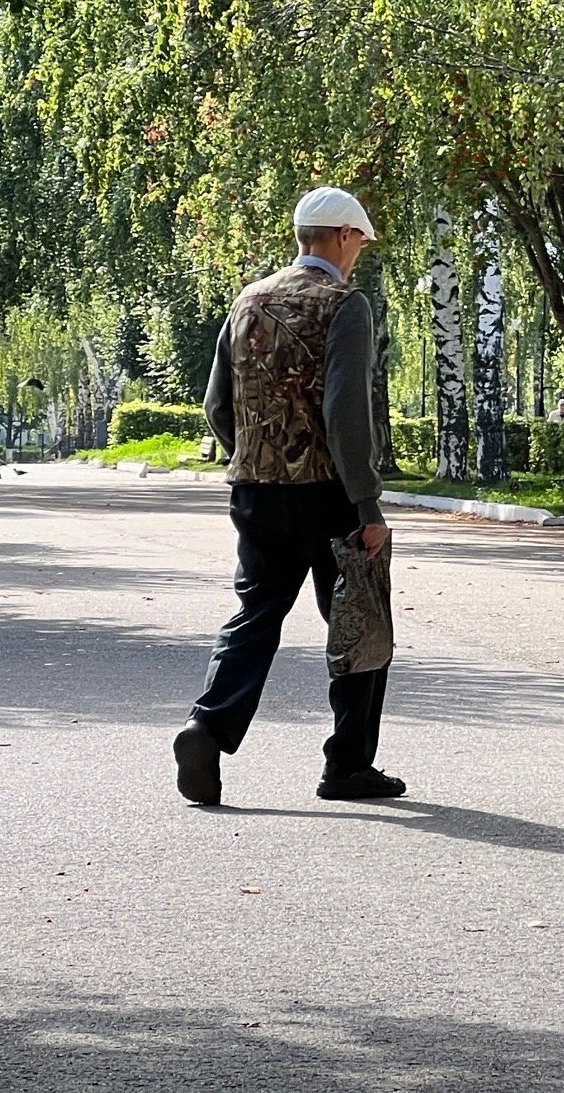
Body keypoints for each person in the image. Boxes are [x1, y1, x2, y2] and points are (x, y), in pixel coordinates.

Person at [174, 187, 402, 808]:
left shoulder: (248, 300)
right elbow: (345, 412)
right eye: (360, 242)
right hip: (330, 496)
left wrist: (254, 456)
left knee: (255, 617)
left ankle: (207, 727)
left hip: (256, 491)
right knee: (360, 624)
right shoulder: (345, 304)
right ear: (345, 237)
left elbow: (217, 406)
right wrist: (367, 505)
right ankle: (347, 767)